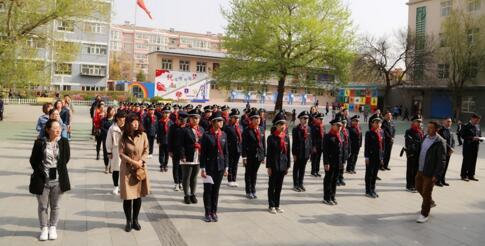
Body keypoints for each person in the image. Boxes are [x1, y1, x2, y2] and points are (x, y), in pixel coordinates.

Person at [29, 119, 71, 241]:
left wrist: (57, 169)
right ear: (47, 129)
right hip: (42, 179)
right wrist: (42, 171)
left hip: (58, 179)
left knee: (55, 205)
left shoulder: (63, 142)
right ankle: (44, 228)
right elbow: (33, 160)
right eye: (55, 128)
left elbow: (66, 158)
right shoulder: (39, 143)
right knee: (43, 206)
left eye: (59, 127)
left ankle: (53, 227)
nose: (58, 130)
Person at [119, 114, 150, 232]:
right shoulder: (123, 136)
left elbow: (147, 149)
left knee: (138, 196)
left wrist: (141, 161)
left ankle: (135, 220)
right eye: (133, 121)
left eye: (137, 121)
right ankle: (128, 221)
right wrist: (133, 162)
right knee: (128, 197)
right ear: (128, 123)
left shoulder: (143, 135)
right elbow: (121, 154)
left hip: (140, 169)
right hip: (127, 170)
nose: (136, 123)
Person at [200, 111, 229, 222]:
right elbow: (203, 154)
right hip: (209, 168)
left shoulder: (224, 135)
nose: (221, 122)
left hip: (220, 167)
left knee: (216, 191)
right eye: (219, 121)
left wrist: (226, 167)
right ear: (213, 122)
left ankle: (214, 211)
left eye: (222, 120)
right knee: (208, 190)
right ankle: (207, 212)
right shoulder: (207, 136)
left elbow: (226, 153)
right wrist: (203, 168)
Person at [415, 121, 447, 223]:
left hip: (430, 172)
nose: (428, 129)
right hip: (420, 169)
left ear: (436, 129)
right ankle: (430, 202)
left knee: (426, 192)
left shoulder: (440, 142)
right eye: (427, 127)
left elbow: (442, 160)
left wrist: (437, 175)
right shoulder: (425, 137)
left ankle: (424, 214)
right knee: (418, 187)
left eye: (431, 128)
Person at [267, 112, 290, 214]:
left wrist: (288, 165)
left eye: (284, 124)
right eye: (280, 124)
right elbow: (269, 154)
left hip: (283, 165)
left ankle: (277, 205)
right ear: (276, 125)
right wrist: (269, 167)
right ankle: (271, 205)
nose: (282, 126)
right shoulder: (271, 138)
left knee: (279, 187)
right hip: (274, 165)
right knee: (272, 186)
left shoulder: (286, 137)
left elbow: (287, 152)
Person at [180, 109, 204, 204]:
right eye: (194, 118)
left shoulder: (201, 129)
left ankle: (193, 194)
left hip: (198, 156)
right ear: (189, 119)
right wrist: (182, 155)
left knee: (194, 177)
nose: (196, 120)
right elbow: (181, 144)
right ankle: (186, 195)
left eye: (197, 118)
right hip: (187, 156)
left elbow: (203, 142)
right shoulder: (185, 129)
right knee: (186, 177)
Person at [242, 109, 266, 199]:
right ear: (251, 120)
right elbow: (243, 144)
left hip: (259, 155)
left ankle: (253, 189)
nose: (258, 120)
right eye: (255, 118)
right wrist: (244, 157)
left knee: (254, 173)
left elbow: (263, 143)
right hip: (249, 155)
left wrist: (264, 155)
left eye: (259, 118)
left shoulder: (261, 129)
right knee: (248, 173)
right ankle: (248, 191)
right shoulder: (247, 130)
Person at [322, 118, 343, 205]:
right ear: (332, 125)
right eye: (337, 125)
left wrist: (342, 162)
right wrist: (326, 163)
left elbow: (342, 150)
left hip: (338, 162)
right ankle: (326, 197)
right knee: (328, 179)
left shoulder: (340, 135)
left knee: (335, 179)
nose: (339, 127)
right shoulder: (327, 136)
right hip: (330, 162)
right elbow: (325, 151)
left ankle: (332, 196)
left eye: (340, 126)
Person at [106, 111, 126, 195]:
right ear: (117, 118)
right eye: (122, 118)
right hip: (116, 150)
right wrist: (109, 152)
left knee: (125, 170)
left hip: (126, 151)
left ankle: (123, 186)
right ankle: (115, 186)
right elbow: (108, 140)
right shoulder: (112, 128)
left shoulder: (127, 127)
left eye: (125, 118)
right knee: (116, 169)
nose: (123, 120)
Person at [292, 111, 312, 192]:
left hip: (306, 153)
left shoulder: (309, 128)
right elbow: (294, 142)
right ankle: (295, 184)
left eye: (307, 118)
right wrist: (294, 153)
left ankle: (301, 183)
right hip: (298, 152)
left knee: (303, 169)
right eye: (304, 118)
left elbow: (310, 141)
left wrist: (310, 152)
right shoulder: (296, 129)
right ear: (300, 119)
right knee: (296, 168)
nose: (306, 120)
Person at [364, 117, 384, 198]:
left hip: (378, 156)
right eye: (377, 122)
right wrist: (366, 157)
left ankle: (373, 189)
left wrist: (382, 157)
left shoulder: (381, 132)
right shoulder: (369, 133)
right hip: (371, 156)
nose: (378, 124)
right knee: (369, 174)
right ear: (373, 123)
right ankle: (368, 191)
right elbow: (367, 146)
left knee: (375, 174)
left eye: (379, 123)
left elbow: (382, 146)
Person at [168, 111, 188, 191]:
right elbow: (169, 139)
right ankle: (176, 183)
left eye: (184, 120)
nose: (182, 122)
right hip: (175, 151)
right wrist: (170, 150)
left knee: (182, 168)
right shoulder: (173, 127)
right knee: (176, 167)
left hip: (185, 152)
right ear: (178, 119)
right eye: (181, 120)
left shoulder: (187, 128)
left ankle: (181, 182)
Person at [460, 113, 482, 181]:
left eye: (478, 120)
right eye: (476, 120)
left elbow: (479, 135)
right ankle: (464, 175)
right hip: (468, 147)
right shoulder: (466, 126)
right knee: (466, 161)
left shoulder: (477, 126)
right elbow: (462, 135)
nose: (477, 122)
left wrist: (480, 138)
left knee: (473, 161)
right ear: (472, 118)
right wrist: (472, 138)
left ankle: (471, 175)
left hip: (475, 147)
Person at [404, 116, 424, 192]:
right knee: (410, 170)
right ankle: (409, 186)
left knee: (416, 170)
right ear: (413, 122)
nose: (419, 123)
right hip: (412, 154)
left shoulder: (421, 131)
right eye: (417, 121)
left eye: (420, 122)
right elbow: (410, 143)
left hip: (419, 154)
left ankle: (414, 185)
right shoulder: (409, 131)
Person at [224, 108, 243, 187]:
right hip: (230, 148)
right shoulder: (227, 127)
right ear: (231, 118)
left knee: (235, 164)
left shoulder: (240, 127)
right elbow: (225, 138)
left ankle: (234, 179)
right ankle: (230, 179)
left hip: (238, 148)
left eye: (238, 117)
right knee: (230, 164)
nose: (237, 119)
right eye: (235, 117)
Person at [437, 118, 455, 187]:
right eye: (447, 121)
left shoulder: (450, 130)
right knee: (440, 167)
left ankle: (442, 179)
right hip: (442, 151)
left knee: (446, 166)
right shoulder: (440, 131)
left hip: (449, 152)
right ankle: (438, 180)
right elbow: (442, 141)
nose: (449, 123)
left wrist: (452, 148)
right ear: (443, 122)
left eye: (450, 122)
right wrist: (449, 148)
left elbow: (453, 140)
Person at [157, 105, 172, 172]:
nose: (166, 114)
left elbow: (172, 133)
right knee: (161, 154)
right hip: (162, 140)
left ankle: (165, 164)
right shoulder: (160, 122)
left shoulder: (171, 123)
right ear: (163, 113)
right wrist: (158, 140)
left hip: (169, 141)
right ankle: (161, 165)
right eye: (165, 113)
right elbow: (158, 132)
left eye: (168, 113)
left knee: (167, 154)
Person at [101, 107, 115, 173]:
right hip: (106, 139)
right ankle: (106, 166)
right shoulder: (104, 120)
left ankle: (111, 166)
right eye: (112, 111)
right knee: (106, 153)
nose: (113, 112)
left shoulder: (115, 120)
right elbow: (102, 128)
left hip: (114, 139)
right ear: (108, 112)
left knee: (113, 153)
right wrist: (109, 132)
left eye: (114, 111)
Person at [337, 119, 350, 186]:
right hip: (340, 151)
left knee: (342, 165)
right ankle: (337, 179)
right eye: (343, 123)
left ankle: (341, 178)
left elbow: (349, 141)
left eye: (345, 123)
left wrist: (349, 150)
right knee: (338, 166)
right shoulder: (339, 131)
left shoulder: (347, 131)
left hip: (345, 151)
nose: (344, 124)